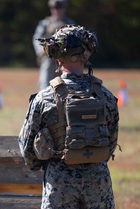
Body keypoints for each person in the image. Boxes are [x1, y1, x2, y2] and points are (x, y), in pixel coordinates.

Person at [19, 25, 119, 208]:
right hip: (98, 181)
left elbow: (27, 147)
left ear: (56, 55)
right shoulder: (106, 96)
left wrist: (46, 166)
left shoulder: (44, 97)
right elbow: (111, 141)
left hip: (59, 183)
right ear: (87, 54)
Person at [33, 0, 76, 90]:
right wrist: (41, 50)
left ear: (64, 9)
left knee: (67, 86)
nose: (57, 11)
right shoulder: (45, 23)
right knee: (45, 85)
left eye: (59, 8)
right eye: (54, 8)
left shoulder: (70, 24)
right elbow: (37, 38)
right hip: (48, 59)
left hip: (66, 61)